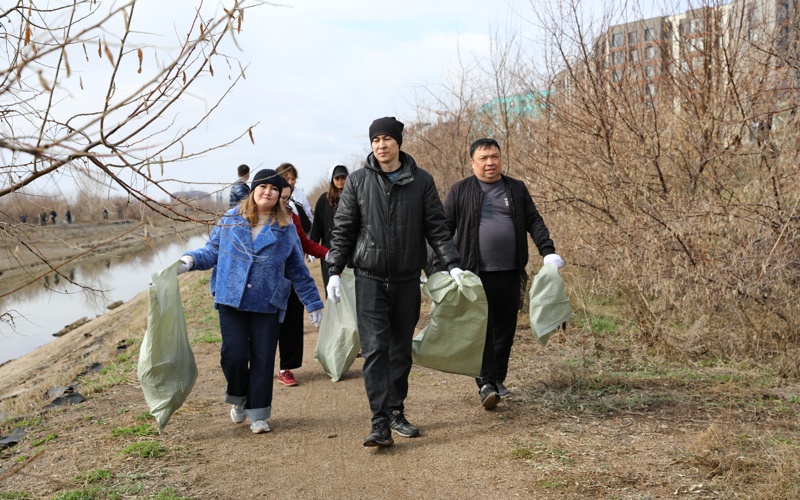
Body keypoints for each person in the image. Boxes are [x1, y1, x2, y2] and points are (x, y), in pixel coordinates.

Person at [326, 116, 463, 448]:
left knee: (400, 350)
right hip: (369, 278)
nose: (381, 145)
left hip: (406, 280)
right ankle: (379, 422)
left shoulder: (421, 181)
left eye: (387, 138)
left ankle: (396, 410)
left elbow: (436, 228)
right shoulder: (358, 182)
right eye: (375, 140)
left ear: (399, 142)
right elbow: (343, 229)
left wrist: (452, 265)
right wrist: (333, 270)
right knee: (375, 349)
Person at [178, 169, 324, 434]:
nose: (267, 192)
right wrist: (189, 260)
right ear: (254, 189)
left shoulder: (285, 228)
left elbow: (297, 271)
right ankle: (239, 396)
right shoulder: (232, 219)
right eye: (263, 187)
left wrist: (313, 303)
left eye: (274, 188)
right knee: (233, 355)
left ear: (280, 195)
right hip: (231, 298)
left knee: (263, 358)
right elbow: (212, 250)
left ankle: (258, 414)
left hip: (267, 301)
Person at [443, 137, 565, 410]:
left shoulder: (516, 189)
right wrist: (447, 266)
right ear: (472, 162)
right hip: (475, 274)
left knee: (505, 330)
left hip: (510, 271)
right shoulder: (460, 190)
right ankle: (485, 382)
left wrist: (548, 251)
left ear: (501, 158)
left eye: (494, 156)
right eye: (483, 158)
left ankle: (497, 380)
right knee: (482, 330)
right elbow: (443, 229)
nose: (490, 162)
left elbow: (534, 220)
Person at [276, 183, 329, 387]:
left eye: (288, 198)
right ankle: (257, 365)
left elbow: (304, 244)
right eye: (282, 197)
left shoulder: (291, 216)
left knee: (291, 324)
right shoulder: (257, 218)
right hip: (267, 283)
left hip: (292, 279)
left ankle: (285, 368)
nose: (285, 202)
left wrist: (326, 253)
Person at [309, 164, 349, 292]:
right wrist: (313, 246)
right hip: (329, 251)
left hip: (349, 249)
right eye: (337, 178)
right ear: (332, 180)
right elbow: (317, 225)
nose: (340, 180)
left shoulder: (353, 197)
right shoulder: (324, 199)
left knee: (348, 290)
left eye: (343, 177)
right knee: (331, 286)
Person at [276, 163, 313, 234]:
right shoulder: (275, 193)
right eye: (287, 179)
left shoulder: (300, 195)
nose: (290, 182)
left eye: (293, 179)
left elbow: (308, 217)